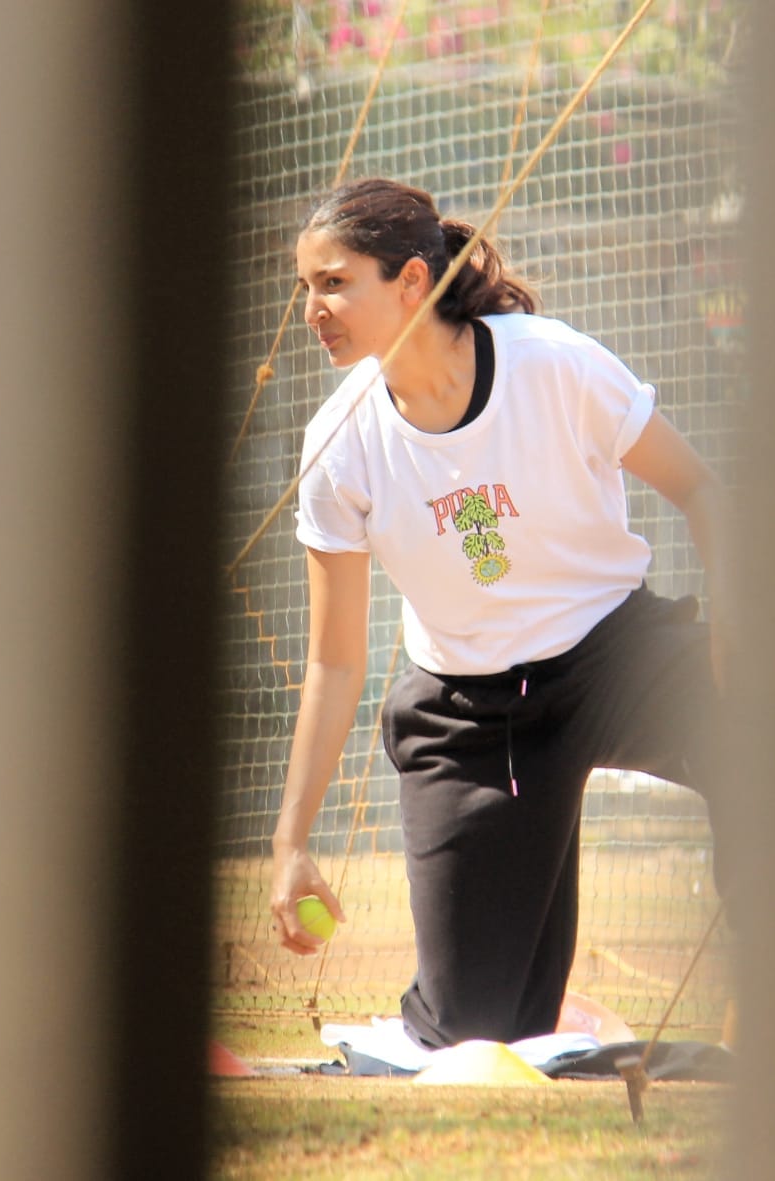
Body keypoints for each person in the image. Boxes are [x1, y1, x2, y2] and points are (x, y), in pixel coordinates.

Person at [269, 177, 734, 1051]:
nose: (313, 308)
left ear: (411, 282)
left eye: (334, 282)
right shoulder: (340, 444)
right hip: (471, 716)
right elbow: (334, 662)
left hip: (615, 658)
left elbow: (704, 491)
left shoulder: (553, 364)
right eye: (306, 288)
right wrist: (291, 840)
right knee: (474, 1041)